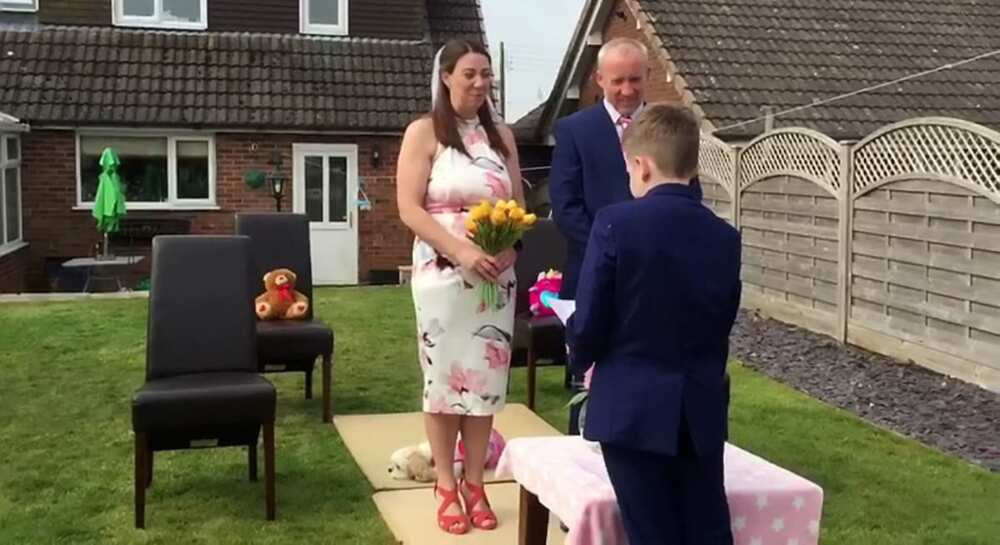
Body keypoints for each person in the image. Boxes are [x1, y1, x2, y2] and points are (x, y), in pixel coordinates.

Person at [566, 103, 741, 545]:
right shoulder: (725, 236)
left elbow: (589, 319)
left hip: (632, 406)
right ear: (693, 164)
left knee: (650, 531)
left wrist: (578, 355)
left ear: (640, 166)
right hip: (699, 405)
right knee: (707, 529)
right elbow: (722, 318)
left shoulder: (615, 224)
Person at [396, 39, 524, 535]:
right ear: (445, 76)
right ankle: (445, 485)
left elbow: (517, 202)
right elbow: (409, 208)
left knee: (486, 386)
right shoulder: (424, 133)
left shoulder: (503, 137)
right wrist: (463, 251)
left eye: (485, 75)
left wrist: (510, 247)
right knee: (445, 384)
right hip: (442, 273)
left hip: (495, 279)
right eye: (469, 73)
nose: (479, 83)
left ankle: (477, 482)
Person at [549, 38, 701, 432]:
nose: (628, 90)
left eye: (636, 79)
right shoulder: (573, 131)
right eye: (618, 81)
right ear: (599, 79)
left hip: (658, 276)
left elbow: (690, 195)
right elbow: (566, 207)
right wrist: (615, 251)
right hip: (591, 272)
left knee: (649, 373)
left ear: (649, 75)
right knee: (588, 378)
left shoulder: (673, 128)